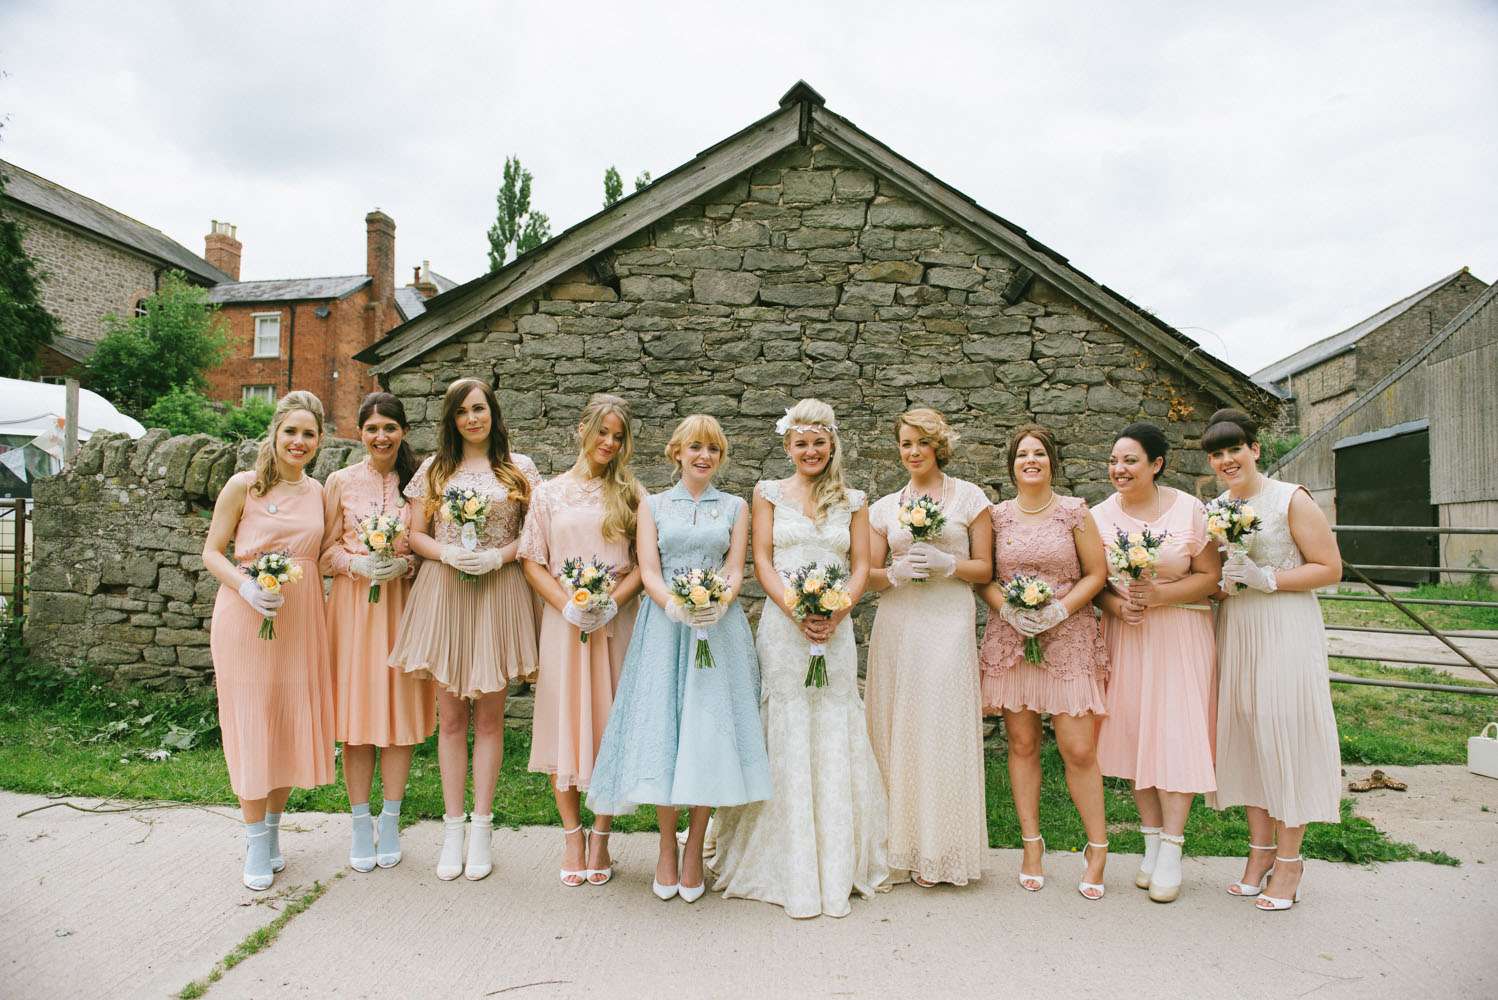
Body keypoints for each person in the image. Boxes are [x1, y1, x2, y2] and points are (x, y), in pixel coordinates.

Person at [710, 398, 890, 918]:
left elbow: (861, 565)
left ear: (832, 443)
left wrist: (836, 610)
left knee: (835, 719)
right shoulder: (767, 493)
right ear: (788, 446)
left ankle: (836, 861)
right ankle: (784, 859)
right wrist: (796, 610)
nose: (810, 451)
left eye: (819, 442)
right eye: (801, 443)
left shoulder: (854, 500)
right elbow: (762, 560)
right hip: (784, 629)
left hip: (835, 628)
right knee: (785, 720)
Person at [587, 415, 773, 903]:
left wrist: (717, 604)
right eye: (695, 447)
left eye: (713, 449)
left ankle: (695, 847)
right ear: (676, 453)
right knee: (665, 730)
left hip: (717, 629)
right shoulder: (653, 505)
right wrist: (674, 605)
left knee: (707, 732)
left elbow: (735, 569)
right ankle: (666, 844)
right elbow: (649, 569)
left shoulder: (735, 507)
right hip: (664, 629)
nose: (704, 456)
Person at [388, 378, 541, 881]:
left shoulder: (519, 469)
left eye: (479, 408)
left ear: (493, 412)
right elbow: (415, 534)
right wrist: (447, 552)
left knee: (491, 719)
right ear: (451, 420)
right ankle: (451, 828)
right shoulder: (434, 470)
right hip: (445, 592)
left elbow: (535, 534)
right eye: (461, 412)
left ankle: (482, 828)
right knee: (451, 718)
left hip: (499, 591)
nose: (472, 418)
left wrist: (500, 555)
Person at [1205, 407, 1343, 912]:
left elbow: (1330, 568)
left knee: (1283, 730)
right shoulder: (1216, 508)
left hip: (1285, 623)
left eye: (1234, 449)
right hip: (1239, 626)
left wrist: (1269, 579)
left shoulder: (1290, 498)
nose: (1227, 460)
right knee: (1248, 731)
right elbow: (1216, 577)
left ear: (1255, 450)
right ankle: (1259, 850)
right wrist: (1224, 583)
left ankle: (1289, 861)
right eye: (1217, 454)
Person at [202, 390, 334, 890]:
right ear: (275, 433)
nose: (299, 441)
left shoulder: (318, 492)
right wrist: (246, 587)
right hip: (245, 616)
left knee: (285, 723)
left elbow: (325, 554)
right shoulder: (245, 486)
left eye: (308, 434)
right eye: (291, 431)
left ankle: (274, 831)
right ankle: (254, 839)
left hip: (300, 622)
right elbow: (212, 551)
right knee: (253, 721)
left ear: (319, 441)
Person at [977, 424, 1111, 899]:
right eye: (1022, 455)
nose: (1030, 460)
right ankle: (1031, 845)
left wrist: (1059, 610)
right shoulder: (996, 517)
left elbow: (1096, 573)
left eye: (1038, 453)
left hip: (1068, 637)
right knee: (1022, 743)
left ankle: (1098, 847)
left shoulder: (1075, 512)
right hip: (1013, 638)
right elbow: (984, 577)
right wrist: (1009, 610)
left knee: (1078, 748)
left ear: (1052, 461)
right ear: (1012, 465)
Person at [1092, 421, 1222, 903]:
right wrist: (1116, 606)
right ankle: (1149, 842)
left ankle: (1173, 846)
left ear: (1156, 464)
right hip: (1128, 636)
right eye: (1114, 460)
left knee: (1175, 735)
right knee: (1135, 735)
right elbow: (1096, 583)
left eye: (1130, 460)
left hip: (1180, 633)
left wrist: (1161, 595)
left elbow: (1210, 577)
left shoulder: (1190, 510)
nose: (1119, 469)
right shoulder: (1098, 517)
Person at [520, 394, 645, 887]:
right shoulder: (548, 494)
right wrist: (567, 605)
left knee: (608, 724)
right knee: (564, 722)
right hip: (564, 622)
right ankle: (572, 835)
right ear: (582, 430)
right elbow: (532, 560)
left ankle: (602, 836)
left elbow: (644, 564)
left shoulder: (632, 494)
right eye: (602, 433)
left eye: (618, 437)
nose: (608, 443)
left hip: (615, 621)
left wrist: (611, 603)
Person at [864, 408, 992, 887]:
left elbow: (986, 569)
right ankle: (900, 846)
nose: (913, 452)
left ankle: (943, 848)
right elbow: (869, 575)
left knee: (941, 725)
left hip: (948, 619)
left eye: (921, 442)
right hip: (899, 622)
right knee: (897, 725)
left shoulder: (970, 498)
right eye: (905, 444)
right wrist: (895, 573)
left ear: (938, 445)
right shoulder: (883, 508)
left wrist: (948, 564)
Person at [320, 392, 435, 872]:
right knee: (356, 720)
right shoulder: (340, 481)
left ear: (402, 431)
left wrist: (405, 565)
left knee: (398, 717)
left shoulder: (420, 483)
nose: (381, 436)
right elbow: (323, 554)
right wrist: (358, 564)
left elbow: (429, 549)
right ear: (360, 433)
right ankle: (358, 821)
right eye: (372, 429)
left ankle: (390, 820)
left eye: (389, 427)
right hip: (353, 612)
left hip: (402, 609)